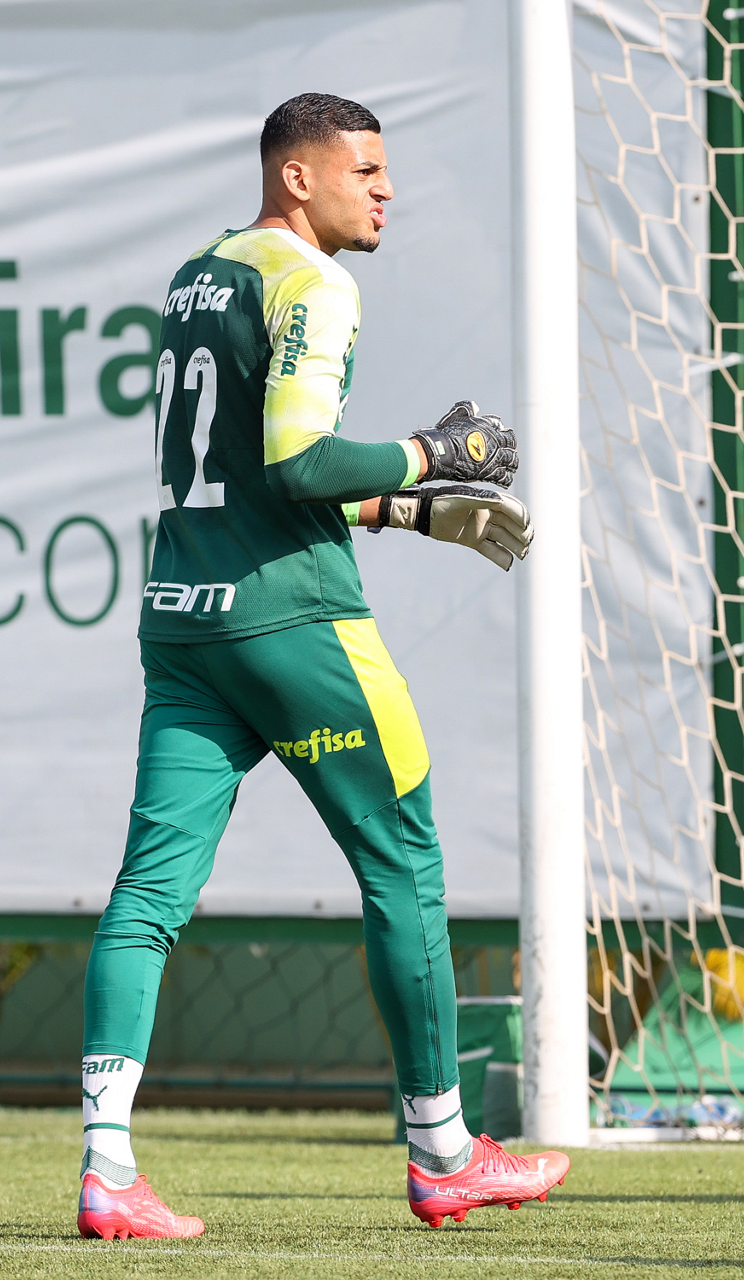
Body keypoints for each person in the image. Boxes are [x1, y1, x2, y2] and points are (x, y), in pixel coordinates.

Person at [76, 91, 569, 1241]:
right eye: (365, 170)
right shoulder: (316, 283)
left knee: (148, 894)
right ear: (297, 177)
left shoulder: (199, 273)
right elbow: (298, 460)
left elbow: (246, 468)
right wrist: (433, 454)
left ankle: (107, 1165)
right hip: (295, 625)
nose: (386, 190)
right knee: (404, 861)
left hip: (184, 620)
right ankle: (444, 1149)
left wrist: (402, 509)